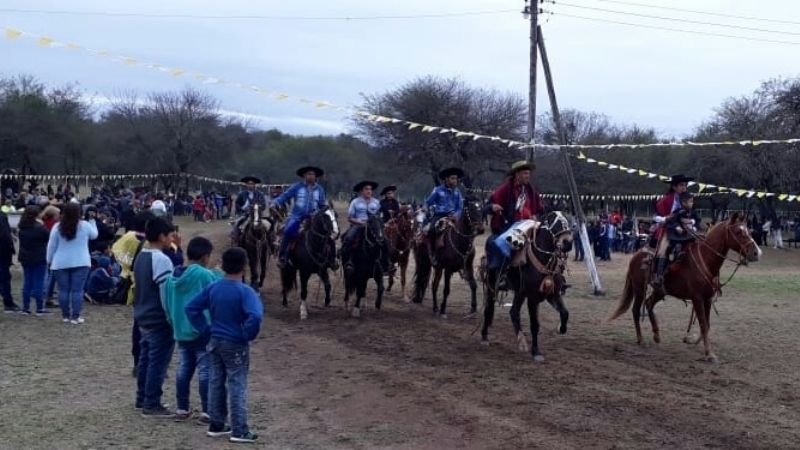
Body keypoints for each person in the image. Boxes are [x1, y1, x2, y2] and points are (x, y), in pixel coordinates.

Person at [186, 247, 263, 444]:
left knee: (216, 381)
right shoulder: (245, 291)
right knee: (237, 384)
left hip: (215, 341)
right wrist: (247, 334)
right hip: (235, 343)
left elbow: (191, 308)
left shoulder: (214, 287)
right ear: (244, 267)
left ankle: (217, 424)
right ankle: (239, 430)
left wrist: (205, 329)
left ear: (224, 265)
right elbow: (255, 316)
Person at [161, 237, 222, 423]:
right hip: (202, 330)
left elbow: (167, 305)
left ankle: (182, 408)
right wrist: (220, 272)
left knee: (184, 368)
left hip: (180, 330)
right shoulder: (203, 275)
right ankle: (207, 411)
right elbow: (217, 290)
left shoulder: (172, 277)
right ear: (205, 257)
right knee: (205, 371)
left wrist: (173, 323)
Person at [133, 217, 176, 417]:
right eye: (170, 235)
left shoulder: (141, 256)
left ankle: (142, 398)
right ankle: (151, 402)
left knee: (145, 359)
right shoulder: (162, 260)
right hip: (158, 319)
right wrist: (171, 317)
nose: (173, 239)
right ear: (161, 236)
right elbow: (165, 293)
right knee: (158, 363)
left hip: (142, 316)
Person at [483, 161, 543, 272]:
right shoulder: (505, 189)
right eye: (525, 173)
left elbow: (540, 209)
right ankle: (499, 272)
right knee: (496, 243)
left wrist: (535, 215)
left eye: (529, 173)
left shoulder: (531, 190)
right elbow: (487, 206)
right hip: (509, 226)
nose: (528, 176)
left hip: (529, 226)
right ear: (517, 174)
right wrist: (493, 207)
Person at [114, 211, 153, 376]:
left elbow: (117, 251)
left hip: (134, 285)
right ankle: (148, 361)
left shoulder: (128, 238)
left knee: (138, 325)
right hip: (148, 287)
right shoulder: (151, 243)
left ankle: (138, 361)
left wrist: (127, 267)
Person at [46, 202, 98, 324]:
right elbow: (94, 235)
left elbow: (51, 246)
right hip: (81, 262)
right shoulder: (85, 225)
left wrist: (49, 260)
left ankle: (65, 316)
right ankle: (75, 316)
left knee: (63, 291)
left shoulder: (57, 227)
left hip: (60, 262)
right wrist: (92, 221)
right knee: (77, 291)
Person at [273, 166, 328, 269]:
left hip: (314, 218)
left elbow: (322, 204)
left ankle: (331, 258)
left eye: (313, 174)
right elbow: (285, 196)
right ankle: (282, 256)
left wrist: (325, 209)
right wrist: (275, 202)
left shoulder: (319, 189)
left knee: (328, 231)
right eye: (309, 174)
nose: (311, 176)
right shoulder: (296, 187)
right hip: (297, 217)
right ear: (304, 175)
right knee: (288, 231)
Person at [340, 181, 392, 275]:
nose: (369, 191)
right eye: (366, 189)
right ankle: (349, 260)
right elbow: (350, 218)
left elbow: (380, 215)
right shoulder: (355, 202)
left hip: (374, 226)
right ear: (361, 191)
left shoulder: (376, 202)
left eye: (370, 189)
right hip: (359, 225)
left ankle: (387, 263)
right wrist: (359, 222)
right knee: (349, 237)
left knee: (385, 240)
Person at [651, 174, 693, 289]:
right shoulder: (665, 200)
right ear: (674, 187)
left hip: (685, 229)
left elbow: (693, 214)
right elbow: (655, 217)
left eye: (685, 185)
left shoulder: (688, 198)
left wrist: (692, 222)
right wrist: (665, 219)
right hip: (667, 229)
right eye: (681, 185)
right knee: (663, 250)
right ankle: (659, 276)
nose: (684, 187)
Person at [424, 167, 465, 266]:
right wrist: (425, 207)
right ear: (446, 179)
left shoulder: (457, 192)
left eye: (456, 178)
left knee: (465, 230)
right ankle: (433, 253)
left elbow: (460, 207)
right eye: (452, 178)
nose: (455, 181)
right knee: (432, 230)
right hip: (439, 215)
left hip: (454, 217)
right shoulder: (438, 190)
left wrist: (456, 215)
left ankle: (463, 255)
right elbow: (428, 202)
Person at [17, 206, 50, 315]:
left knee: (27, 282)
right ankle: (40, 308)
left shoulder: (22, 227)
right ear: (36, 215)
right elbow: (48, 237)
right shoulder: (40, 227)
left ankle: (25, 307)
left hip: (25, 257)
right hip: (39, 257)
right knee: (38, 283)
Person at [662, 192, 702, 266]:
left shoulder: (693, 212)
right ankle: (674, 259)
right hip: (678, 236)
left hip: (690, 235)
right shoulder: (678, 211)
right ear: (684, 203)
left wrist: (694, 226)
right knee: (676, 246)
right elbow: (672, 220)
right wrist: (677, 226)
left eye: (692, 201)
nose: (692, 203)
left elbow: (698, 220)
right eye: (690, 201)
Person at [232, 177, 268, 243]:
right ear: (246, 185)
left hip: (257, 215)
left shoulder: (260, 194)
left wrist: (258, 207)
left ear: (254, 185)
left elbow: (263, 205)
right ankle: (237, 240)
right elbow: (237, 204)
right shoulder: (241, 194)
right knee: (237, 224)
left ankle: (269, 242)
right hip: (244, 215)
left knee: (268, 225)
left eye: (252, 184)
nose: (250, 185)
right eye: (249, 184)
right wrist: (242, 208)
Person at [0, 206, 19, 312]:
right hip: (2, 252)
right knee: (4, 278)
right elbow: (5, 236)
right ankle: (8, 303)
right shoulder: (2, 216)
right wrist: (10, 251)